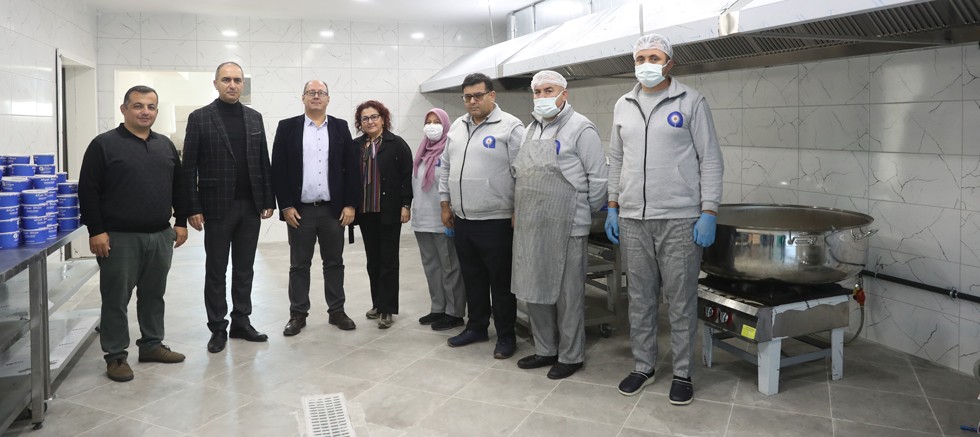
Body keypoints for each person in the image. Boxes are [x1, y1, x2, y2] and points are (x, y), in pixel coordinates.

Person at [605, 34, 723, 405]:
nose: (646, 64)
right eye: (640, 57)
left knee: (681, 300)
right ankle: (644, 366)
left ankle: (683, 373)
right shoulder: (623, 104)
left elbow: (710, 158)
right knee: (639, 298)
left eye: (654, 57)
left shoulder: (690, 101)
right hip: (633, 218)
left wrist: (708, 211)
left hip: (679, 218)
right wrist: (612, 205)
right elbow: (616, 159)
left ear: (669, 62)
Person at [79, 85, 189, 382]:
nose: (145, 112)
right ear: (124, 109)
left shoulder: (165, 145)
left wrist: (180, 221)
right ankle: (115, 355)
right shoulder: (103, 144)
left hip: (160, 235)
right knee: (116, 298)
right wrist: (96, 231)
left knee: (153, 295)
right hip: (119, 238)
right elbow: (88, 190)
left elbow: (180, 186)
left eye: (151, 107)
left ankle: (151, 344)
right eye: (138, 106)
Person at [512, 71, 607, 380]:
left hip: (568, 225)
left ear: (564, 94)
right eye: (537, 92)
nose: (542, 97)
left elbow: (598, 179)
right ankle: (545, 349)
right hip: (533, 224)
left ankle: (571, 355)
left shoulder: (581, 128)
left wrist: (581, 213)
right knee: (535, 288)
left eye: (548, 90)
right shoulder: (530, 129)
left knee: (568, 296)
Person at [182, 62, 276, 353]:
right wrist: (192, 206)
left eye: (237, 80)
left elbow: (263, 160)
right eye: (226, 80)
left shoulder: (254, 117)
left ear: (243, 84)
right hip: (216, 207)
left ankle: (241, 322)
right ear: (216, 83)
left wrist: (268, 199)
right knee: (216, 269)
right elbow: (189, 167)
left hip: (250, 206)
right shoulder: (200, 118)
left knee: (245, 269)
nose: (232, 85)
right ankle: (217, 328)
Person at [438, 73, 525, 359]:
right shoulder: (457, 128)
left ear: (492, 95)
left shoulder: (510, 127)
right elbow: (445, 168)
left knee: (501, 283)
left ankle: (506, 335)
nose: (472, 101)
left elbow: (523, 173)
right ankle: (476, 327)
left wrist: (518, 209)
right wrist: (445, 203)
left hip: (497, 220)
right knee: (472, 278)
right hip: (463, 218)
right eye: (467, 97)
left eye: (478, 95)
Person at [271, 80, 360, 335]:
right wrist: (285, 206)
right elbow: (278, 169)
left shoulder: (340, 127)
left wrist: (350, 204)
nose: (316, 96)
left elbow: (352, 169)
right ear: (303, 98)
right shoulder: (288, 127)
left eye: (321, 93)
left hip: (333, 210)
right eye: (311, 92)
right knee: (299, 265)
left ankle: (337, 311)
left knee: (334, 263)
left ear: (328, 99)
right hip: (300, 211)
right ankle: (298, 314)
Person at [352, 100, 413, 329]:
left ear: (383, 118)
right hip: (366, 211)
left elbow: (407, 176)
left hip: (389, 211)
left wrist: (406, 204)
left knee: (388, 260)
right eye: (365, 118)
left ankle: (387, 309)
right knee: (373, 261)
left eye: (374, 117)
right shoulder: (356, 146)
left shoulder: (396, 144)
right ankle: (377, 303)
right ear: (360, 123)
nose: (370, 121)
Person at [413, 108, 466, 332]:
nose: (432, 126)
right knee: (431, 266)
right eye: (429, 121)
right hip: (422, 218)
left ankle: (454, 312)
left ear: (445, 125)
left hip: (443, 219)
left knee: (450, 267)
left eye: (437, 122)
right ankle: (438, 307)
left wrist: (450, 210)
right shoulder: (422, 151)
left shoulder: (450, 150)